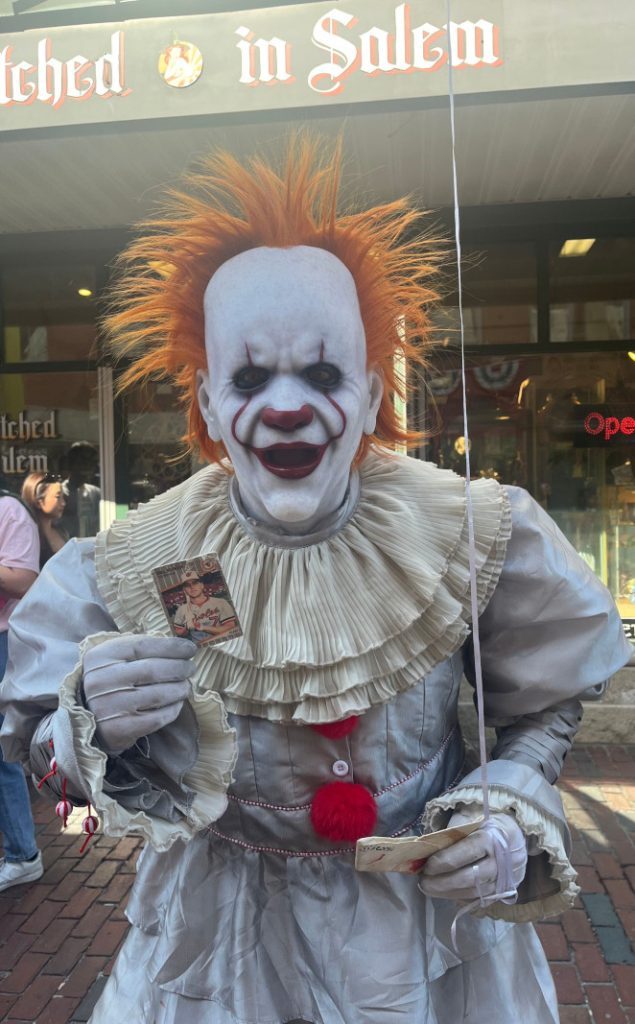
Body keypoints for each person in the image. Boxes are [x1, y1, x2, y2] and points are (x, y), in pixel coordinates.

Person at [0, 139, 632, 1023]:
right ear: (211, 402)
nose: (288, 405)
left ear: (373, 396)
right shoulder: (161, 555)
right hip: (220, 943)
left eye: (323, 373)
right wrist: (86, 725)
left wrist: (505, 814)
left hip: (422, 942)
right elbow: (42, 758)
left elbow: (540, 713)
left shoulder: (466, 530)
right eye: (252, 376)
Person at [0, 483, 43, 891]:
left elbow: (23, 581)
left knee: (2, 756)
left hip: (2, 642)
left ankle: (23, 853)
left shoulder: (8, 510)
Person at [172, 572, 237, 643]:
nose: (192, 587)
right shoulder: (181, 610)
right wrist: (185, 630)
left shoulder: (221, 602)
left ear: (202, 585)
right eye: (187, 585)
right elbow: (178, 631)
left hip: (223, 641)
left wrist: (203, 627)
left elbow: (230, 628)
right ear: (184, 590)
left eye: (195, 583)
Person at [21, 472, 68, 568]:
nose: (63, 503)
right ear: (38, 501)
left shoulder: (62, 531)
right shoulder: (27, 537)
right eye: (58, 497)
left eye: (63, 497)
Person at [59, 441, 101, 538]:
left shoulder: (96, 493)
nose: (87, 468)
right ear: (71, 464)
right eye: (82, 462)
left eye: (92, 463)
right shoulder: (59, 493)